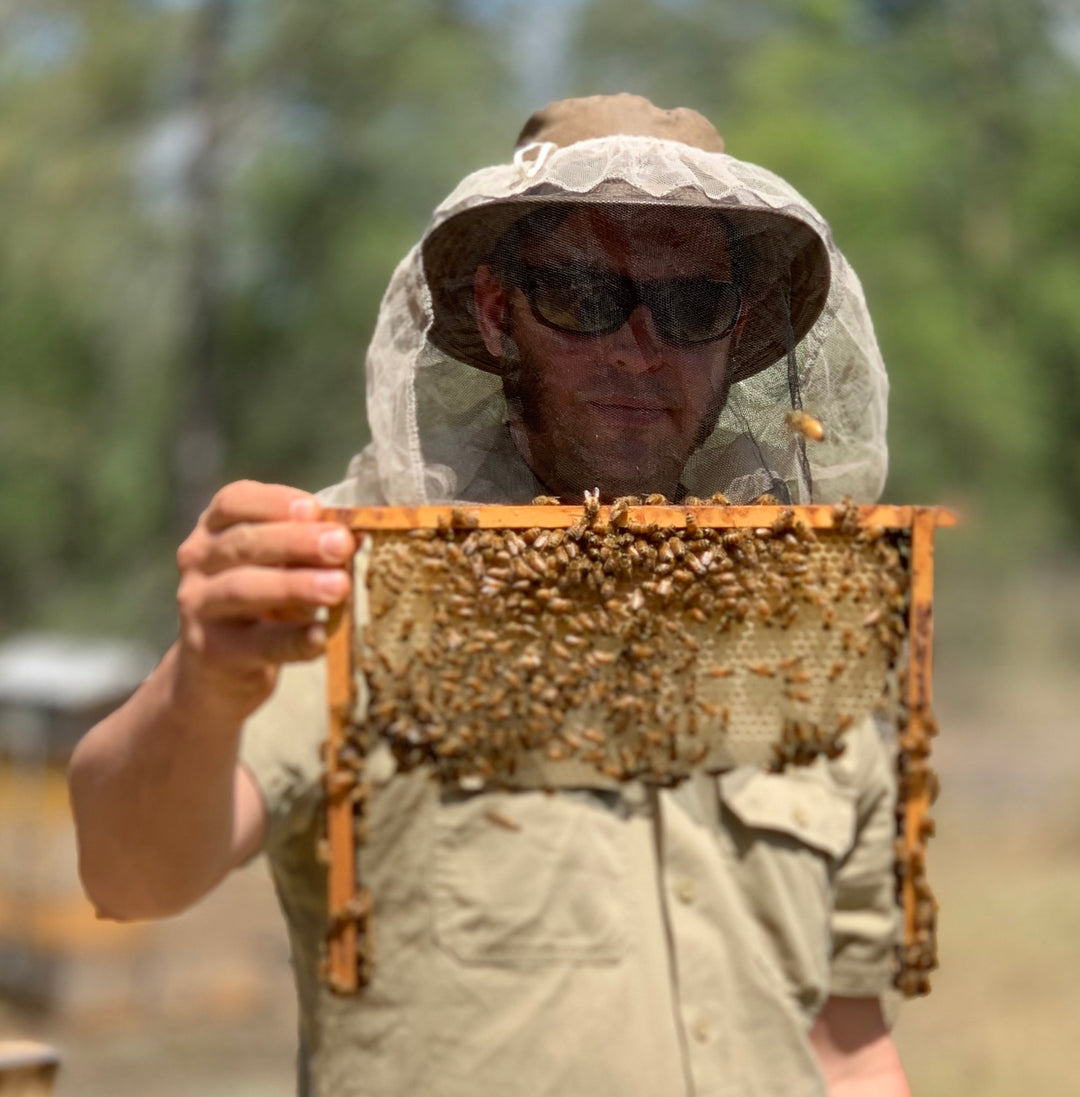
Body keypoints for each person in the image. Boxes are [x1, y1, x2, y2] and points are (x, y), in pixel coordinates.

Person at [69, 94, 909, 1096]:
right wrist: (205, 686)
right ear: (500, 310)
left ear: (740, 333)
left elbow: (846, 1046)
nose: (641, 346)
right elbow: (129, 874)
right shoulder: (349, 571)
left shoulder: (798, 624)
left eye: (689, 306)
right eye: (587, 293)